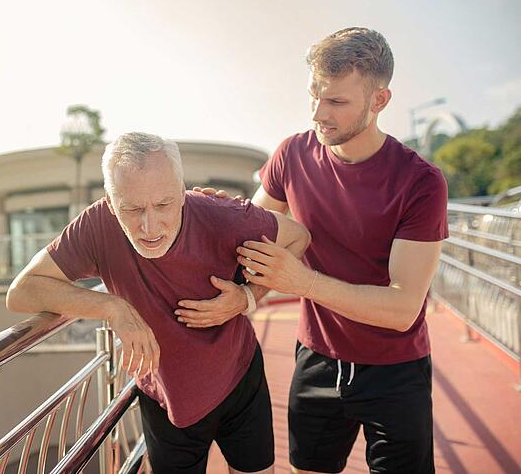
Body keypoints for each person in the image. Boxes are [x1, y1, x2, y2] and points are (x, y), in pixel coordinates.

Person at [177, 28, 448, 474]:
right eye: (313, 97)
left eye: (337, 102)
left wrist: (301, 281)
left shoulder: (420, 182)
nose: (319, 114)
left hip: (396, 370)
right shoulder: (292, 154)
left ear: (379, 100)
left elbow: (402, 308)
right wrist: (210, 211)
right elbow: (252, 232)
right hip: (317, 357)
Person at [6, 132, 311, 474]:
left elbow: (299, 237)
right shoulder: (97, 225)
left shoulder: (224, 216)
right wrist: (112, 307)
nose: (149, 227)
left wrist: (247, 298)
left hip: (239, 378)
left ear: (182, 193)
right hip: (164, 395)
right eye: (132, 209)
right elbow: (22, 291)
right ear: (111, 201)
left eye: (163, 205)